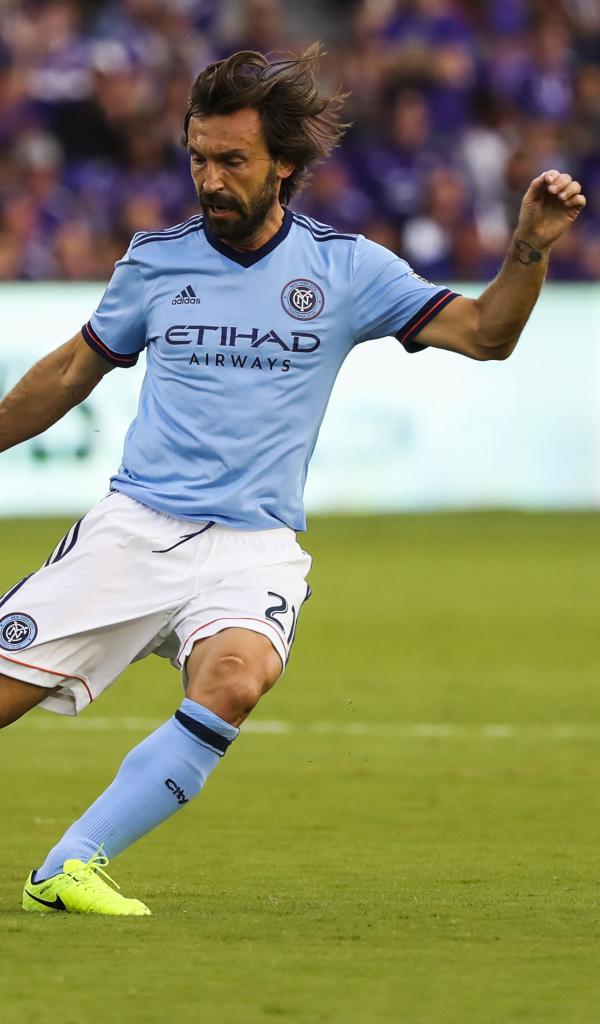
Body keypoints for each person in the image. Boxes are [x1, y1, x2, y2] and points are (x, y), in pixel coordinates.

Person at [0, 46, 586, 916]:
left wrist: (529, 248)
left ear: (283, 164)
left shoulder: (346, 268)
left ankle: (68, 867)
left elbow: (484, 335)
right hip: (137, 529)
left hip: (255, 547)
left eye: (232, 161)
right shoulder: (155, 262)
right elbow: (66, 374)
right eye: (198, 159)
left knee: (235, 680)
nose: (211, 180)